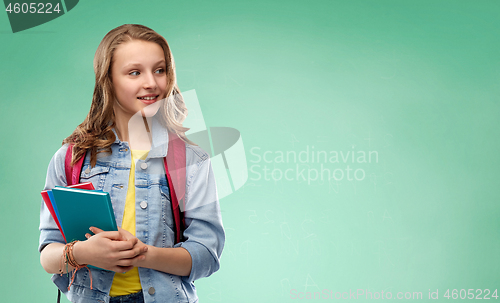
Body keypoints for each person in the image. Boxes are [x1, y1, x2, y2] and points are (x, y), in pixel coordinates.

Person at [39, 24, 225, 303]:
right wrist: (83, 253)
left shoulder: (190, 160)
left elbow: (206, 255)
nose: (151, 82)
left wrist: (144, 254)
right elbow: (48, 256)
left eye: (160, 70)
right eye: (134, 72)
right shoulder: (70, 158)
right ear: (108, 79)